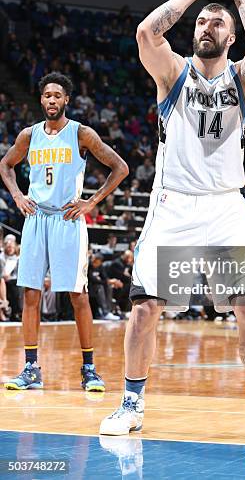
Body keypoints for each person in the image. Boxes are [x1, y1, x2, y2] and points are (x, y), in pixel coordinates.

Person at [100, 0, 245, 440]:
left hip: (226, 205)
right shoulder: (173, 72)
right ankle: (131, 404)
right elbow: (146, 33)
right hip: (174, 204)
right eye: (202, 21)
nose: (207, 26)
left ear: (231, 37)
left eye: (216, 23)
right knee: (145, 307)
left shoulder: (242, 79)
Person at [0, 72, 129, 391]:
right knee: (29, 293)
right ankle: (31, 368)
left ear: (67, 100)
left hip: (68, 220)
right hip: (36, 218)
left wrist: (92, 202)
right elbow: (6, 165)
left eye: (57, 95)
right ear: (41, 99)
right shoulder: (29, 136)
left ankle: (89, 369)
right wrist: (17, 195)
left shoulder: (81, 133)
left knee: (78, 295)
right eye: (46, 96)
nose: (51, 100)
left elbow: (120, 168)